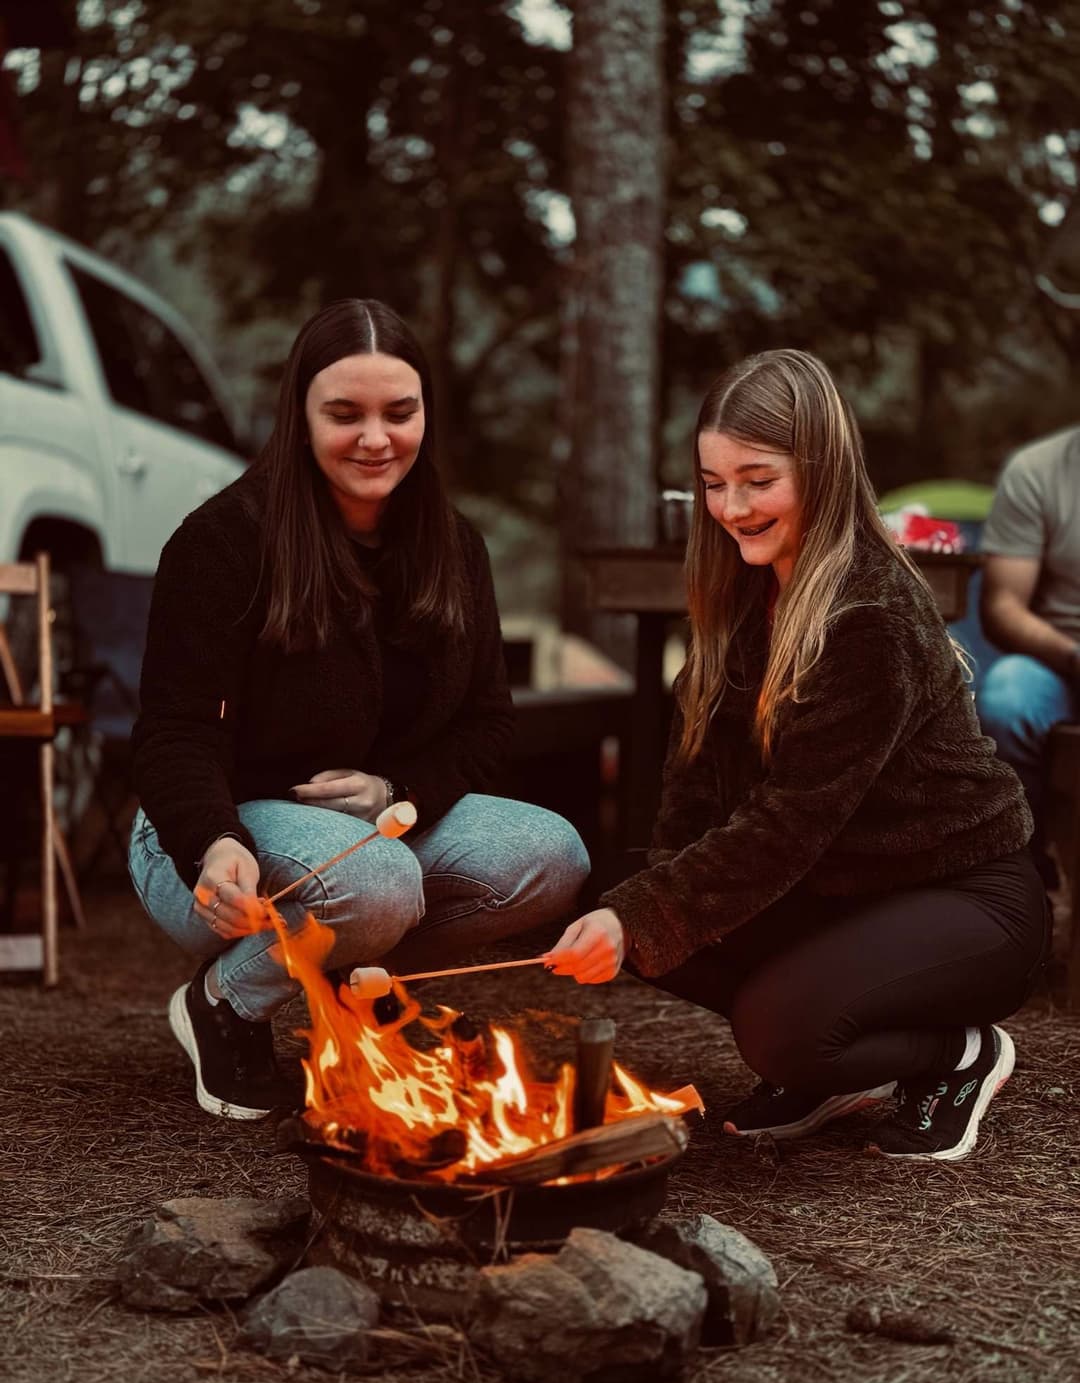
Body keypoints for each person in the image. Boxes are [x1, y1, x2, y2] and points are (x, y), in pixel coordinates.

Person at [547, 350, 1049, 1162]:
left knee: (775, 1031)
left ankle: (956, 1052)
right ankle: (832, 1052)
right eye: (714, 483)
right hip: (844, 889)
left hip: (966, 901)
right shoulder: (745, 596)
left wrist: (642, 913)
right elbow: (696, 786)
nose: (732, 507)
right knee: (639, 910)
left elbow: (790, 821)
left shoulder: (869, 615)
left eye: (758, 481)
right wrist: (642, 908)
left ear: (821, 469)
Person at [129, 298, 589, 1121]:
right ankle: (225, 1002)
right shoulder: (223, 540)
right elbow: (174, 731)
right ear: (301, 419)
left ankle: (358, 986)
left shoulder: (455, 547)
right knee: (377, 881)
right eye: (345, 415)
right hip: (207, 837)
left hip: (375, 828)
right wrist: (213, 840)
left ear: (425, 417)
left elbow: (489, 724)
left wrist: (397, 790)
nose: (376, 439)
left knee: (552, 854)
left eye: (399, 413)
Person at [975, 423, 1080, 886]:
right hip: (1059, 662)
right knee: (1006, 695)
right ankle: (1024, 869)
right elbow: (1002, 607)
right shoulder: (1038, 470)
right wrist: (1073, 656)